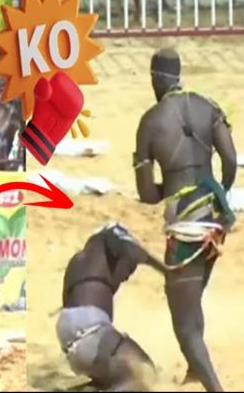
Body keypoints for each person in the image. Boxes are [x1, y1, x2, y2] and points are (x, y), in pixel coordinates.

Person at [134, 48, 237, 392]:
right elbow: (230, 160)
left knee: (185, 327)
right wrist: (215, 191)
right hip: (215, 225)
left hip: (186, 232)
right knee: (191, 303)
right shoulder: (207, 106)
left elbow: (147, 194)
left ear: (155, 78)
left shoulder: (150, 122)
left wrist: (175, 187)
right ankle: (195, 370)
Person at [58, 223, 168, 391]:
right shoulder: (106, 241)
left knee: (118, 371)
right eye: (130, 266)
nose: (128, 275)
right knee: (144, 371)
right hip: (91, 331)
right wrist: (167, 270)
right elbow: (121, 239)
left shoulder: (79, 263)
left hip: (73, 346)